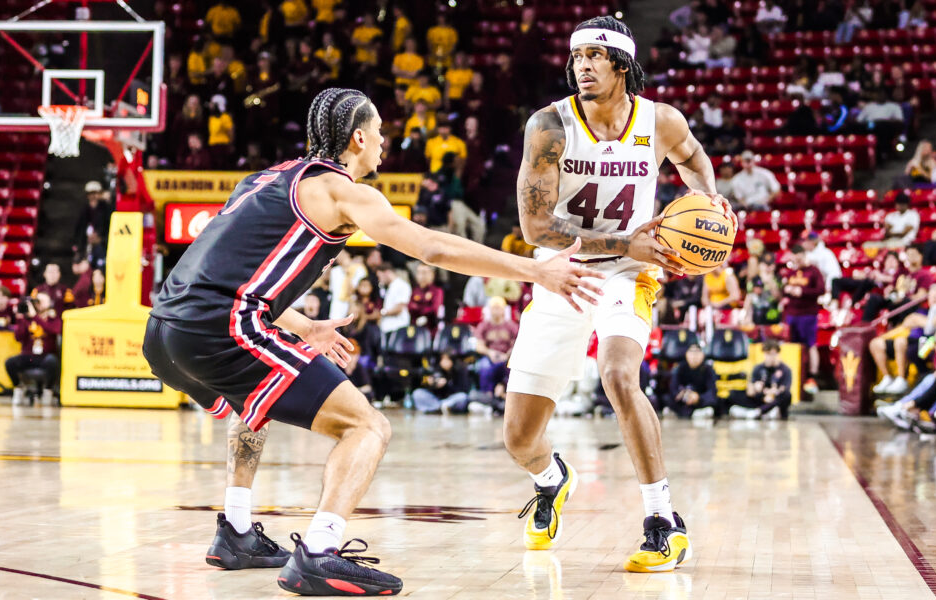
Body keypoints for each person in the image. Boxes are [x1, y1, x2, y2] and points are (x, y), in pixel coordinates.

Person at [142, 87, 600, 597]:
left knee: (252, 405)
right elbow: (430, 246)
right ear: (358, 137)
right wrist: (534, 269)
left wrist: (302, 327)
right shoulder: (345, 192)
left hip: (164, 329)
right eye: (380, 130)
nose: (385, 140)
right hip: (218, 328)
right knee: (367, 426)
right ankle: (319, 552)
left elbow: (220, 273)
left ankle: (237, 531)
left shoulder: (265, 179)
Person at [503, 16, 736, 573]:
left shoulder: (660, 121)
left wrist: (713, 206)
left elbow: (695, 160)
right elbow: (535, 229)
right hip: (561, 271)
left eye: (595, 56)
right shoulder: (549, 125)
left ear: (623, 65)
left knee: (617, 373)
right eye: (576, 55)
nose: (582, 65)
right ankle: (550, 477)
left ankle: (663, 519)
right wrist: (621, 239)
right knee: (518, 438)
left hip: (631, 270)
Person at [782, 246, 825, 394]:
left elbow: (821, 290)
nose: (797, 259)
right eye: (794, 257)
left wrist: (803, 292)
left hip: (808, 313)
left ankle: (812, 376)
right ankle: (793, 373)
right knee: (792, 345)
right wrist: (787, 290)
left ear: (804, 255)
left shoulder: (813, 271)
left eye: (799, 256)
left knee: (811, 344)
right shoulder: (791, 272)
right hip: (792, 313)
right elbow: (783, 290)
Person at [6, 293, 61, 406]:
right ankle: (19, 388)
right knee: (10, 362)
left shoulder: (53, 319)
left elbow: (55, 330)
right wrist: (21, 319)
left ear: (48, 303)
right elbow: (18, 337)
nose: (38, 304)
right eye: (36, 301)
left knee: (53, 361)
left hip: (45, 356)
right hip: (29, 356)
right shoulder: (27, 319)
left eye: (41, 301)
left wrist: (36, 317)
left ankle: (48, 390)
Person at [728, 339, 792, 419]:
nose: (771, 357)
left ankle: (759, 411)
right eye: (768, 354)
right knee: (733, 394)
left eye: (773, 354)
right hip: (760, 399)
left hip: (774, 400)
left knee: (786, 396)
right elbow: (750, 390)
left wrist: (771, 393)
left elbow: (784, 389)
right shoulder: (758, 368)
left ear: (778, 354)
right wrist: (754, 388)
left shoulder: (785, 370)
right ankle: (765, 412)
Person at [474, 296, 520, 397]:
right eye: (493, 308)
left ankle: (509, 396)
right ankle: (487, 396)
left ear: (503, 309)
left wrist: (507, 354)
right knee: (483, 366)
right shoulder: (484, 325)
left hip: (507, 358)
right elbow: (479, 346)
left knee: (515, 368)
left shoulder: (511, 326)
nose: (496, 311)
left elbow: (517, 344)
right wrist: (490, 353)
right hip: (490, 357)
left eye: (498, 308)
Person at [665, 343, 718, 419]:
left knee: (713, 403)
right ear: (686, 354)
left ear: (703, 355)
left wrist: (698, 398)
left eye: (697, 352)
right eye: (691, 352)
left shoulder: (708, 370)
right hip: (683, 403)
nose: (694, 356)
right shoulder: (680, 368)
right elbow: (673, 390)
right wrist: (683, 395)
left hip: (700, 404)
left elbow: (712, 393)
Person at [73, 181, 112, 258]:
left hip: (103, 243)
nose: (93, 196)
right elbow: (79, 228)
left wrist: (101, 238)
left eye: (96, 193)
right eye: (91, 194)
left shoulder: (105, 209)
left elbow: (108, 226)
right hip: (86, 244)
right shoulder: (84, 210)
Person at [407, 263, 443, 333]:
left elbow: (434, 309)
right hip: (415, 328)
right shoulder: (415, 291)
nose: (421, 276)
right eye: (419, 272)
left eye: (424, 272)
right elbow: (410, 307)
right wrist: (424, 306)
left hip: (431, 330)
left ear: (432, 274)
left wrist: (418, 307)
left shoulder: (436, 291)